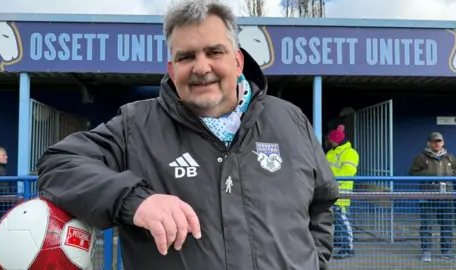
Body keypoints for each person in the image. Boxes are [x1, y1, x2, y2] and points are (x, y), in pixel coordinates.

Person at [36, 1, 339, 269]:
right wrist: (135, 199)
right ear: (171, 67)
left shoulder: (289, 119)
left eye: (214, 52)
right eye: (186, 57)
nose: (201, 67)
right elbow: (58, 165)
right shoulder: (136, 125)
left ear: (237, 61)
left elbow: (321, 204)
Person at [409, 132, 455, 262]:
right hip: (428, 196)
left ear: (443, 143)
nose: (437, 143)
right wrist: (432, 174)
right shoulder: (422, 157)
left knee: (447, 225)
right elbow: (412, 173)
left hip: (447, 197)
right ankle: (426, 251)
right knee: (427, 225)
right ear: (429, 143)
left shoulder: (450, 158)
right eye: (434, 141)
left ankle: (446, 251)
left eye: (439, 141)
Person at [325, 125, 359, 260]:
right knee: (336, 221)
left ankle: (348, 248)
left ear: (335, 140)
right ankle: (340, 243)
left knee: (344, 221)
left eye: (330, 140)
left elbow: (348, 172)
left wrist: (331, 182)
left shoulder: (350, 153)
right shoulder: (331, 152)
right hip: (330, 191)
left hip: (342, 193)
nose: (328, 142)